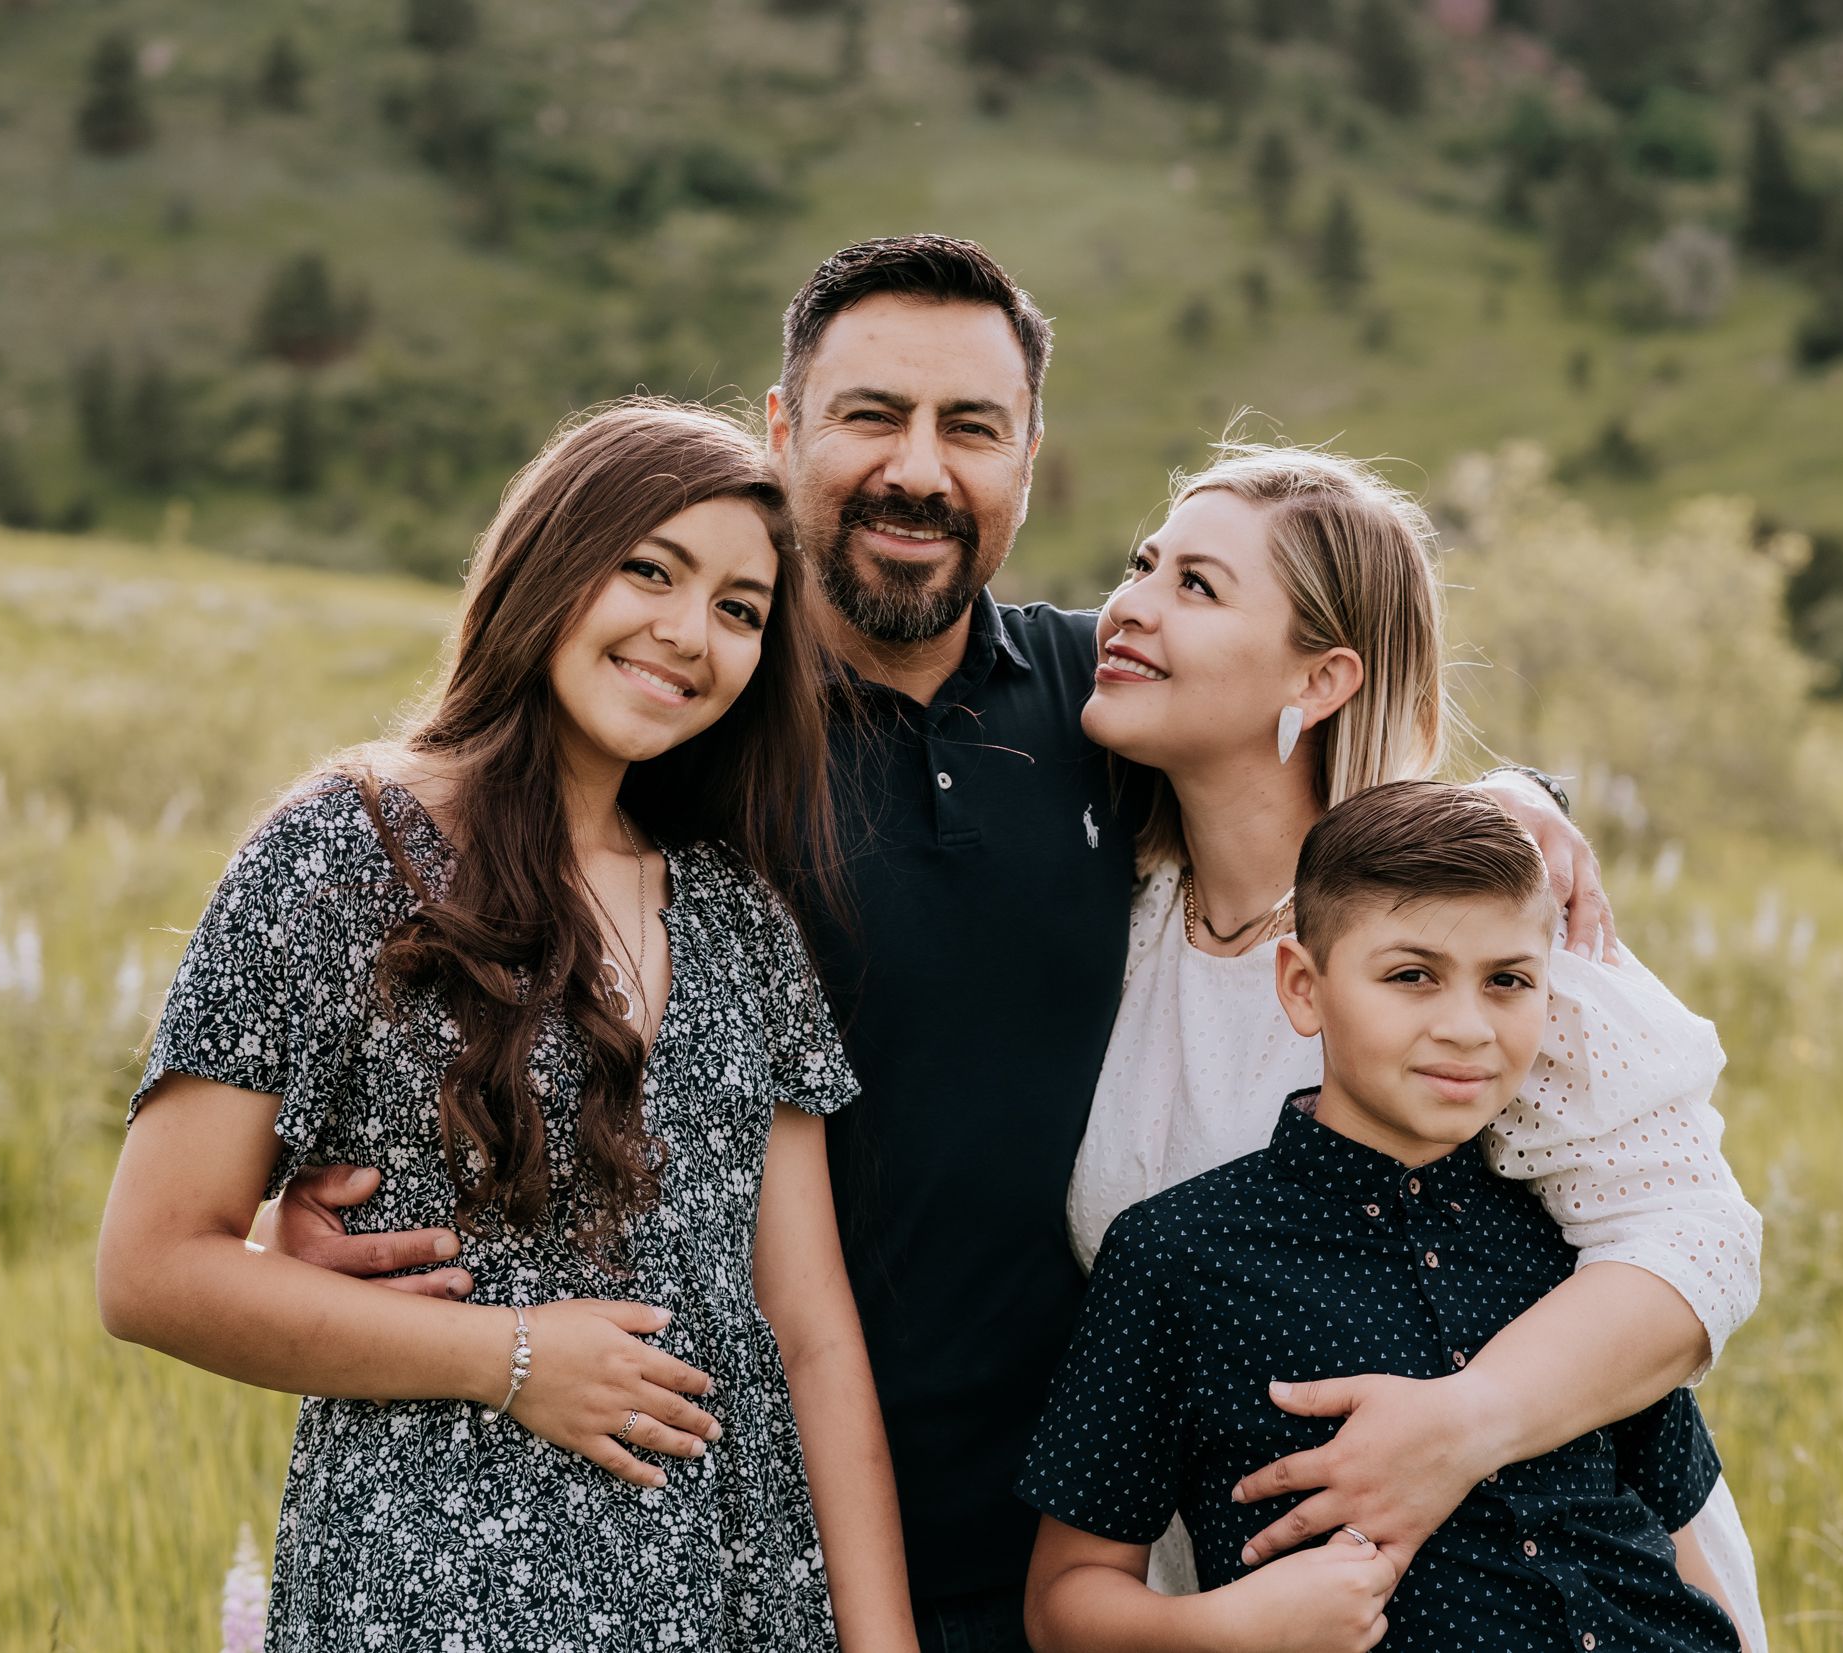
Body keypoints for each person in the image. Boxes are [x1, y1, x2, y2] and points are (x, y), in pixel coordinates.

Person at [262, 236, 1623, 1649]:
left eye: (970, 427)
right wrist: (341, 1195)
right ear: (782, 430)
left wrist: (1517, 800)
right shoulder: (696, 717)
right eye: (871, 415)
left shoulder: (1101, 702)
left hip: (1081, 1537)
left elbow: (1301, 749)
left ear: (1028, 455)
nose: (918, 470)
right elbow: (491, 891)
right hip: (722, 1523)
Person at [95, 401, 915, 1651]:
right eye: (650, 570)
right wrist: (509, 1357)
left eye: (740, 610)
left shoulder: (739, 920)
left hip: (736, 1599)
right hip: (434, 1590)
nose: (687, 633)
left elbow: (808, 1331)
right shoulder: (342, 857)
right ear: (548, 565)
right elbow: (150, 1270)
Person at [1065, 443, 1767, 1643]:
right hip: (1263, 1594)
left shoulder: (1462, 931)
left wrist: (1459, 1424)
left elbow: (1693, 1244)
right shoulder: (1123, 938)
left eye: (1195, 586)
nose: (1127, 606)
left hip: (1556, 1586)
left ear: (1322, 676)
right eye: (1141, 566)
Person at [1021, 782, 1745, 1653]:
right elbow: (1064, 1601)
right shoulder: (1177, 1257)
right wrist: (1231, 1628)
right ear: (1303, 986)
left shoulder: (1572, 1233)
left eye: (1508, 980)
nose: (1468, 1027)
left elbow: (1679, 1538)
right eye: (1412, 975)